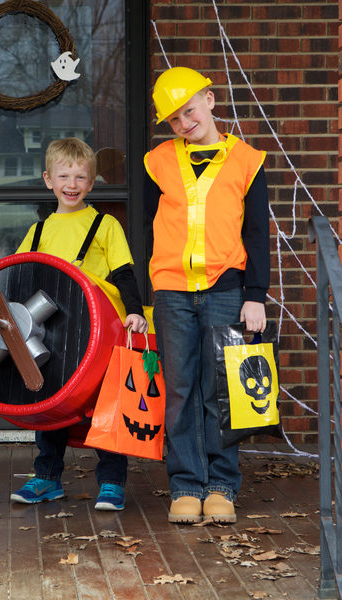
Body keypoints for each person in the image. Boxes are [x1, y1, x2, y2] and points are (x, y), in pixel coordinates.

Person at [144, 66, 270, 524]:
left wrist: (256, 294)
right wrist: (145, 296)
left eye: (189, 110)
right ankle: (185, 486)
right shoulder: (157, 161)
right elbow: (145, 231)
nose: (183, 123)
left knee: (222, 392)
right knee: (179, 391)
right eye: (174, 119)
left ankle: (220, 486)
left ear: (210, 101)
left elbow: (257, 233)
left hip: (225, 289)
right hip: (172, 291)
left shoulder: (248, 160)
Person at [10, 137, 148, 511]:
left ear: (91, 183)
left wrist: (133, 310)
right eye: (64, 175)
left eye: (80, 177)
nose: (72, 184)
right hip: (55, 334)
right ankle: (46, 478)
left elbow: (124, 273)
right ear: (48, 180)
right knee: (50, 401)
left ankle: (112, 482)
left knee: (107, 403)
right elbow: (19, 277)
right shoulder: (38, 232)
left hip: (101, 333)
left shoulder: (105, 225)